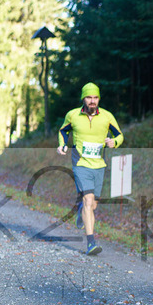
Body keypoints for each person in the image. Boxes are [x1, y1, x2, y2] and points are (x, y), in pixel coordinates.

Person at [57, 82, 123, 255]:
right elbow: (63, 131)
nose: (92, 101)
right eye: (89, 97)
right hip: (81, 164)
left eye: (95, 97)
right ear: (83, 98)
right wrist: (62, 145)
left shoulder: (107, 116)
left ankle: (81, 211)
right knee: (88, 200)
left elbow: (119, 135)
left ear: (99, 98)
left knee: (92, 205)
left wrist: (113, 142)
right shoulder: (72, 115)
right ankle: (91, 243)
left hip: (99, 165)